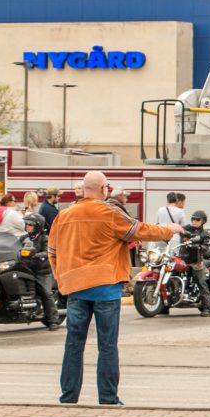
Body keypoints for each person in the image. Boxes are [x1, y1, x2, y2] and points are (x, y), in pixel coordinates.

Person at [49, 171, 182, 405]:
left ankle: (68, 397)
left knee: (73, 344)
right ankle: (108, 398)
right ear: (103, 189)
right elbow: (139, 230)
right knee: (107, 345)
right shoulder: (108, 213)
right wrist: (169, 229)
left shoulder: (63, 216)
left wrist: (63, 280)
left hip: (75, 288)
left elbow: (53, 253)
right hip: (105, 288)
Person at [22, 213, 60, 330]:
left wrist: (36, 255)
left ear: (38, 226)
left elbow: (47, 252)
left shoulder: (45, 238)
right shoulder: (24, 238)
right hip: (27, 268)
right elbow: (13, 247)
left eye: (30, 224)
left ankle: (53, 320)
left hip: (42, 270)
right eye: (26, 224)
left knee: (45, 292)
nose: (27, 226)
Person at [181, 210, 210, 316]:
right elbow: (176, 234)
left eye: (197, 219)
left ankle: (207, 308)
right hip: (182, 258)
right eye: (193, 219)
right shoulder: (186, 228)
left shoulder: (204, 234)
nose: (194, 221)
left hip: (196, 260)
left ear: (203, 221)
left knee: (201, 281)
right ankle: (164, 305)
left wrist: (200, 247)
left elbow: (206, 247)